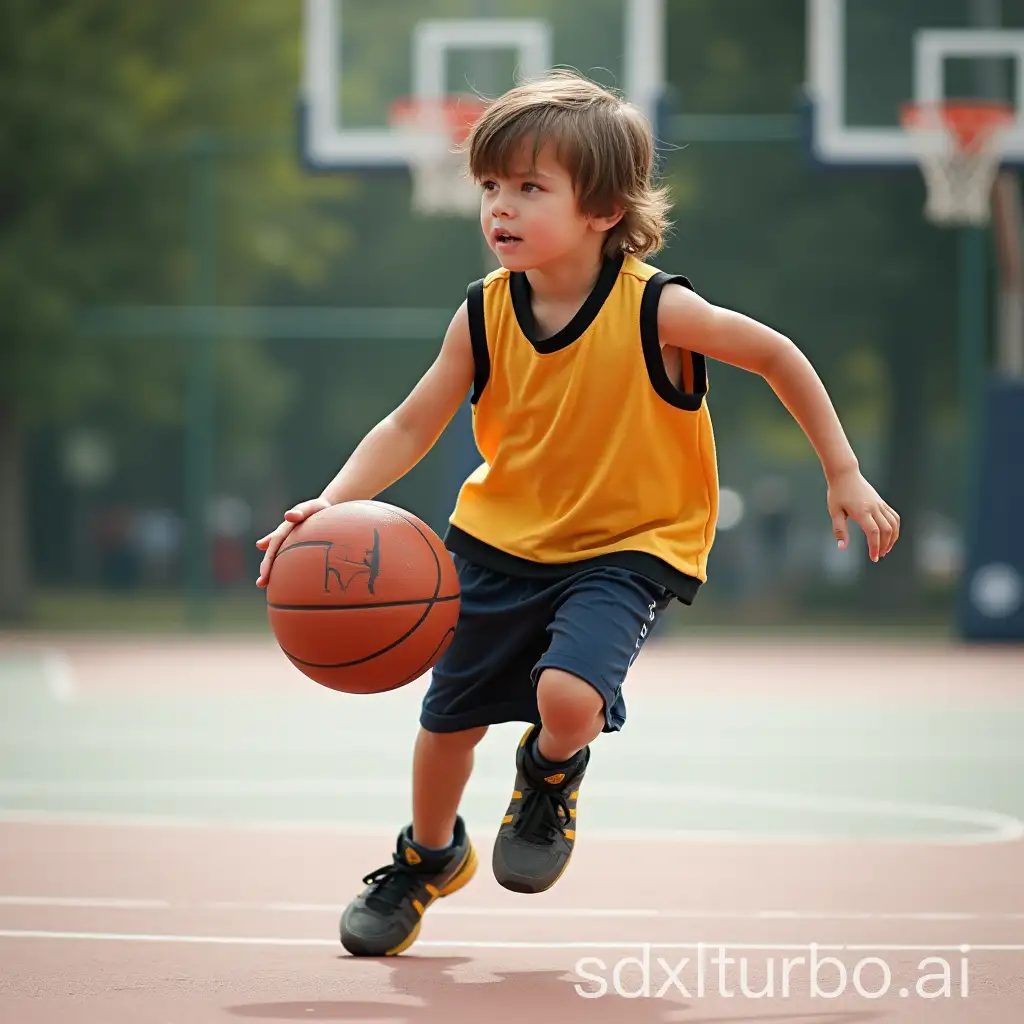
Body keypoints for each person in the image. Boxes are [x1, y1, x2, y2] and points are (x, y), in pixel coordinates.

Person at [255, 70, 900, 957]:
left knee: (567, 697)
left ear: (601, 210)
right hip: (498, 542)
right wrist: (332, 502)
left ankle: (551, 771)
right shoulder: (482, 314)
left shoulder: (657, 308)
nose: (500, 207)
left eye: (529, 187)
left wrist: (843, 469)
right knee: (446, 724)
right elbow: (411, 421)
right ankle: (429, 855)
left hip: (627, 546)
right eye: (490, 186)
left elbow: (777, 354)